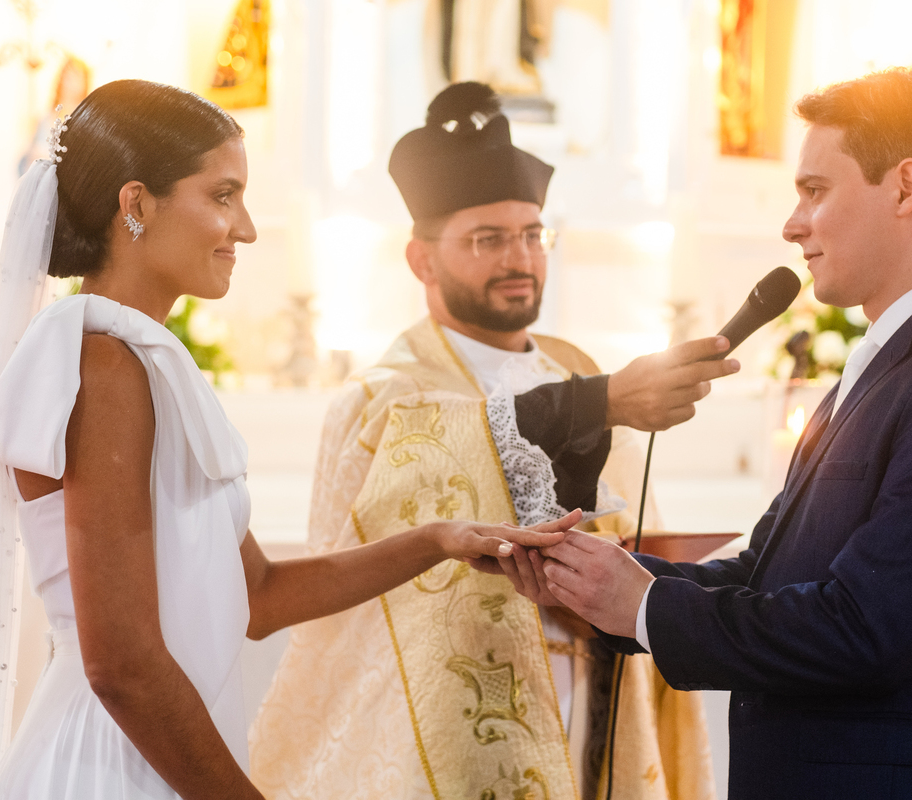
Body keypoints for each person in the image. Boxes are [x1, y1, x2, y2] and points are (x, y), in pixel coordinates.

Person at [0, 79, 570, 800]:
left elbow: (260, 597)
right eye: (223, 196)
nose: (246, 229)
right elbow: (121, 666)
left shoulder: (142, 359)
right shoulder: (104, 364)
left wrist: (438, 540)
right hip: (110, 763)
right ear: (136, 203)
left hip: (159, 753)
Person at [501, 67, 912, 800]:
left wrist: (643, 605)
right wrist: (586, 579)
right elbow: (763, 578)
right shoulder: (892, 362)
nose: (791, 224)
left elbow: (865, 631)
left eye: (814, 190)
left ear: (905, 188)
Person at [249, 82, 735, 800]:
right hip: (456, 723)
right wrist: (602, 401)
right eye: (488, 239)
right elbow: (431, 464)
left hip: (595, 690)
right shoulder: (383, 396)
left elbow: (633, 521)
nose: (520, 258)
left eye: (533, 235)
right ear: (422, 260)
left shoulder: (574, 367)